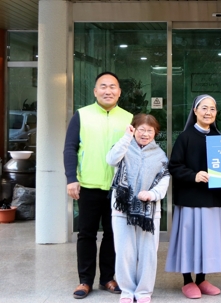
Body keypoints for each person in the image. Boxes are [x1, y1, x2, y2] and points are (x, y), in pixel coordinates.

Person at [64, 71, 133, 299]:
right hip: (89, 186)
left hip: (117, 188)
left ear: (119, 92)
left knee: (113, 235)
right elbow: (70, 148)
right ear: (95, 91)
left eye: (112, 87)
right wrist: (71, 179)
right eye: (103, 86)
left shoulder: (128, 117)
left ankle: (107, 279)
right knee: (86, 234)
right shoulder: (82, 115)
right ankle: (84, 281)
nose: (108, 91)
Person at [165, 94, 221, 299]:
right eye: (204, 108)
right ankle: (187, 280)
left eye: (212, 108)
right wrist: (194, 175)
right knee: (189, 241)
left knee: (206, 241)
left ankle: (201, 279)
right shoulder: (185, 137)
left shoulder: (219, 138)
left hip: (211, 199)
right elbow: (174, 166)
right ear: (195, 111)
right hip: (189, 198)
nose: (208, 112)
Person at [106, 114, 170, 303]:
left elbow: (164, 181)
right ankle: (127, 290)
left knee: (148, 253)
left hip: (149, 213)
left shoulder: (160, 155)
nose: (145, 134)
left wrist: (152, 195)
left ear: (155, 133)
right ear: (133, 129)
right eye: (141, 129)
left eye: (150, 130)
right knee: (124, 252)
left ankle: (143, 292)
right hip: (122, 210)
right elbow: (111, 159)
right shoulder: (124, 147)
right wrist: (126, 137)